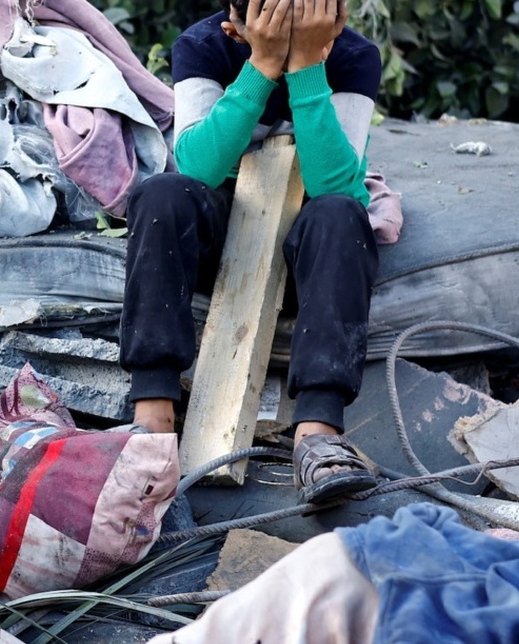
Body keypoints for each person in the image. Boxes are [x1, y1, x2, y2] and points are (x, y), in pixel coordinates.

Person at [118, 0, 382, 503]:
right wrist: (260, 67)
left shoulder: (351, 57)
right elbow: (196, 166)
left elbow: (336, 183)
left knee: (342, 214)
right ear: (233, 27)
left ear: (333, 21)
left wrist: (307, 66)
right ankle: (152, 416)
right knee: (160, 194)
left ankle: (318, 437)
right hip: (220, 228)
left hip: (309, 252)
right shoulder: (203, 46)